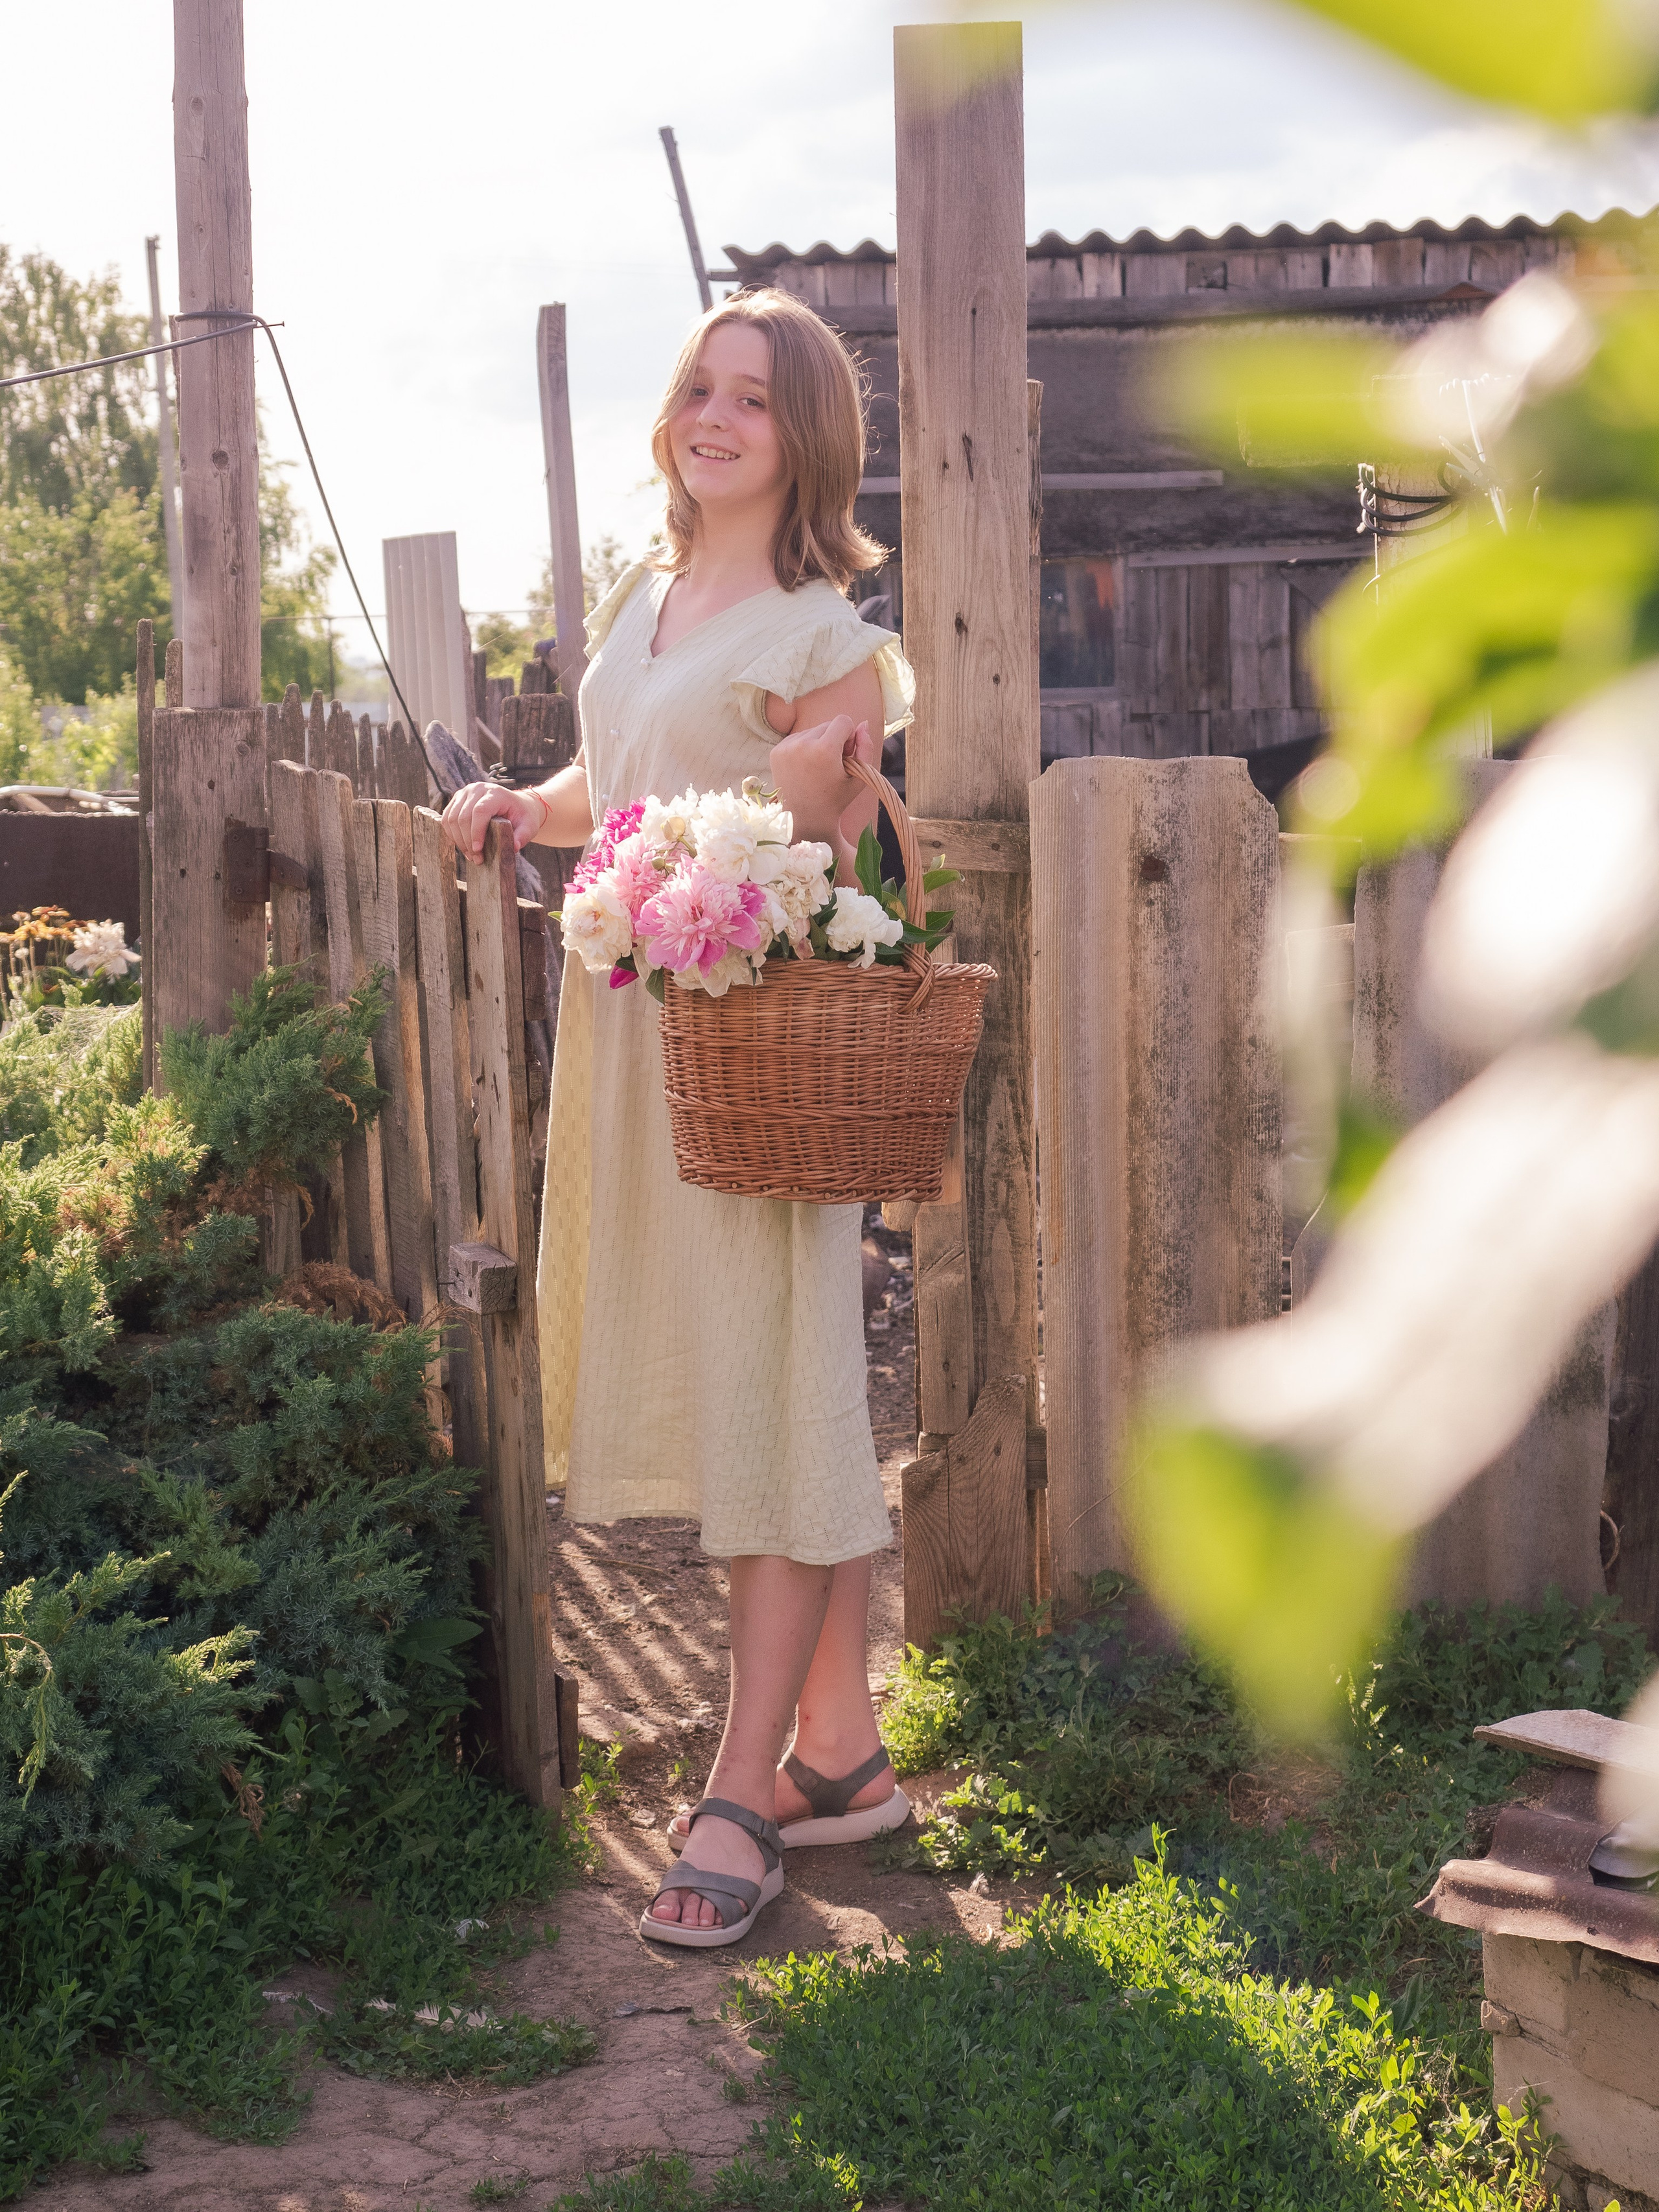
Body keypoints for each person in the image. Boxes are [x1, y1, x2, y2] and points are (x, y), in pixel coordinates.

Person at [441, 288, 914, 1948]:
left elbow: (839, 844)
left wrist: (814, 792)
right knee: (756, 1394)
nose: (714, 417)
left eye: (755, 401)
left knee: (769, 1392)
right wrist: (529, 805)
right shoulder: (651, 595)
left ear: (806, 441)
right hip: (631, 1047)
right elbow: (614, 777)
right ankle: (842, 1756)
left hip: (745, 1058)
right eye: (699, 389)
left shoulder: (822, 632)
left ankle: (739, 1791)